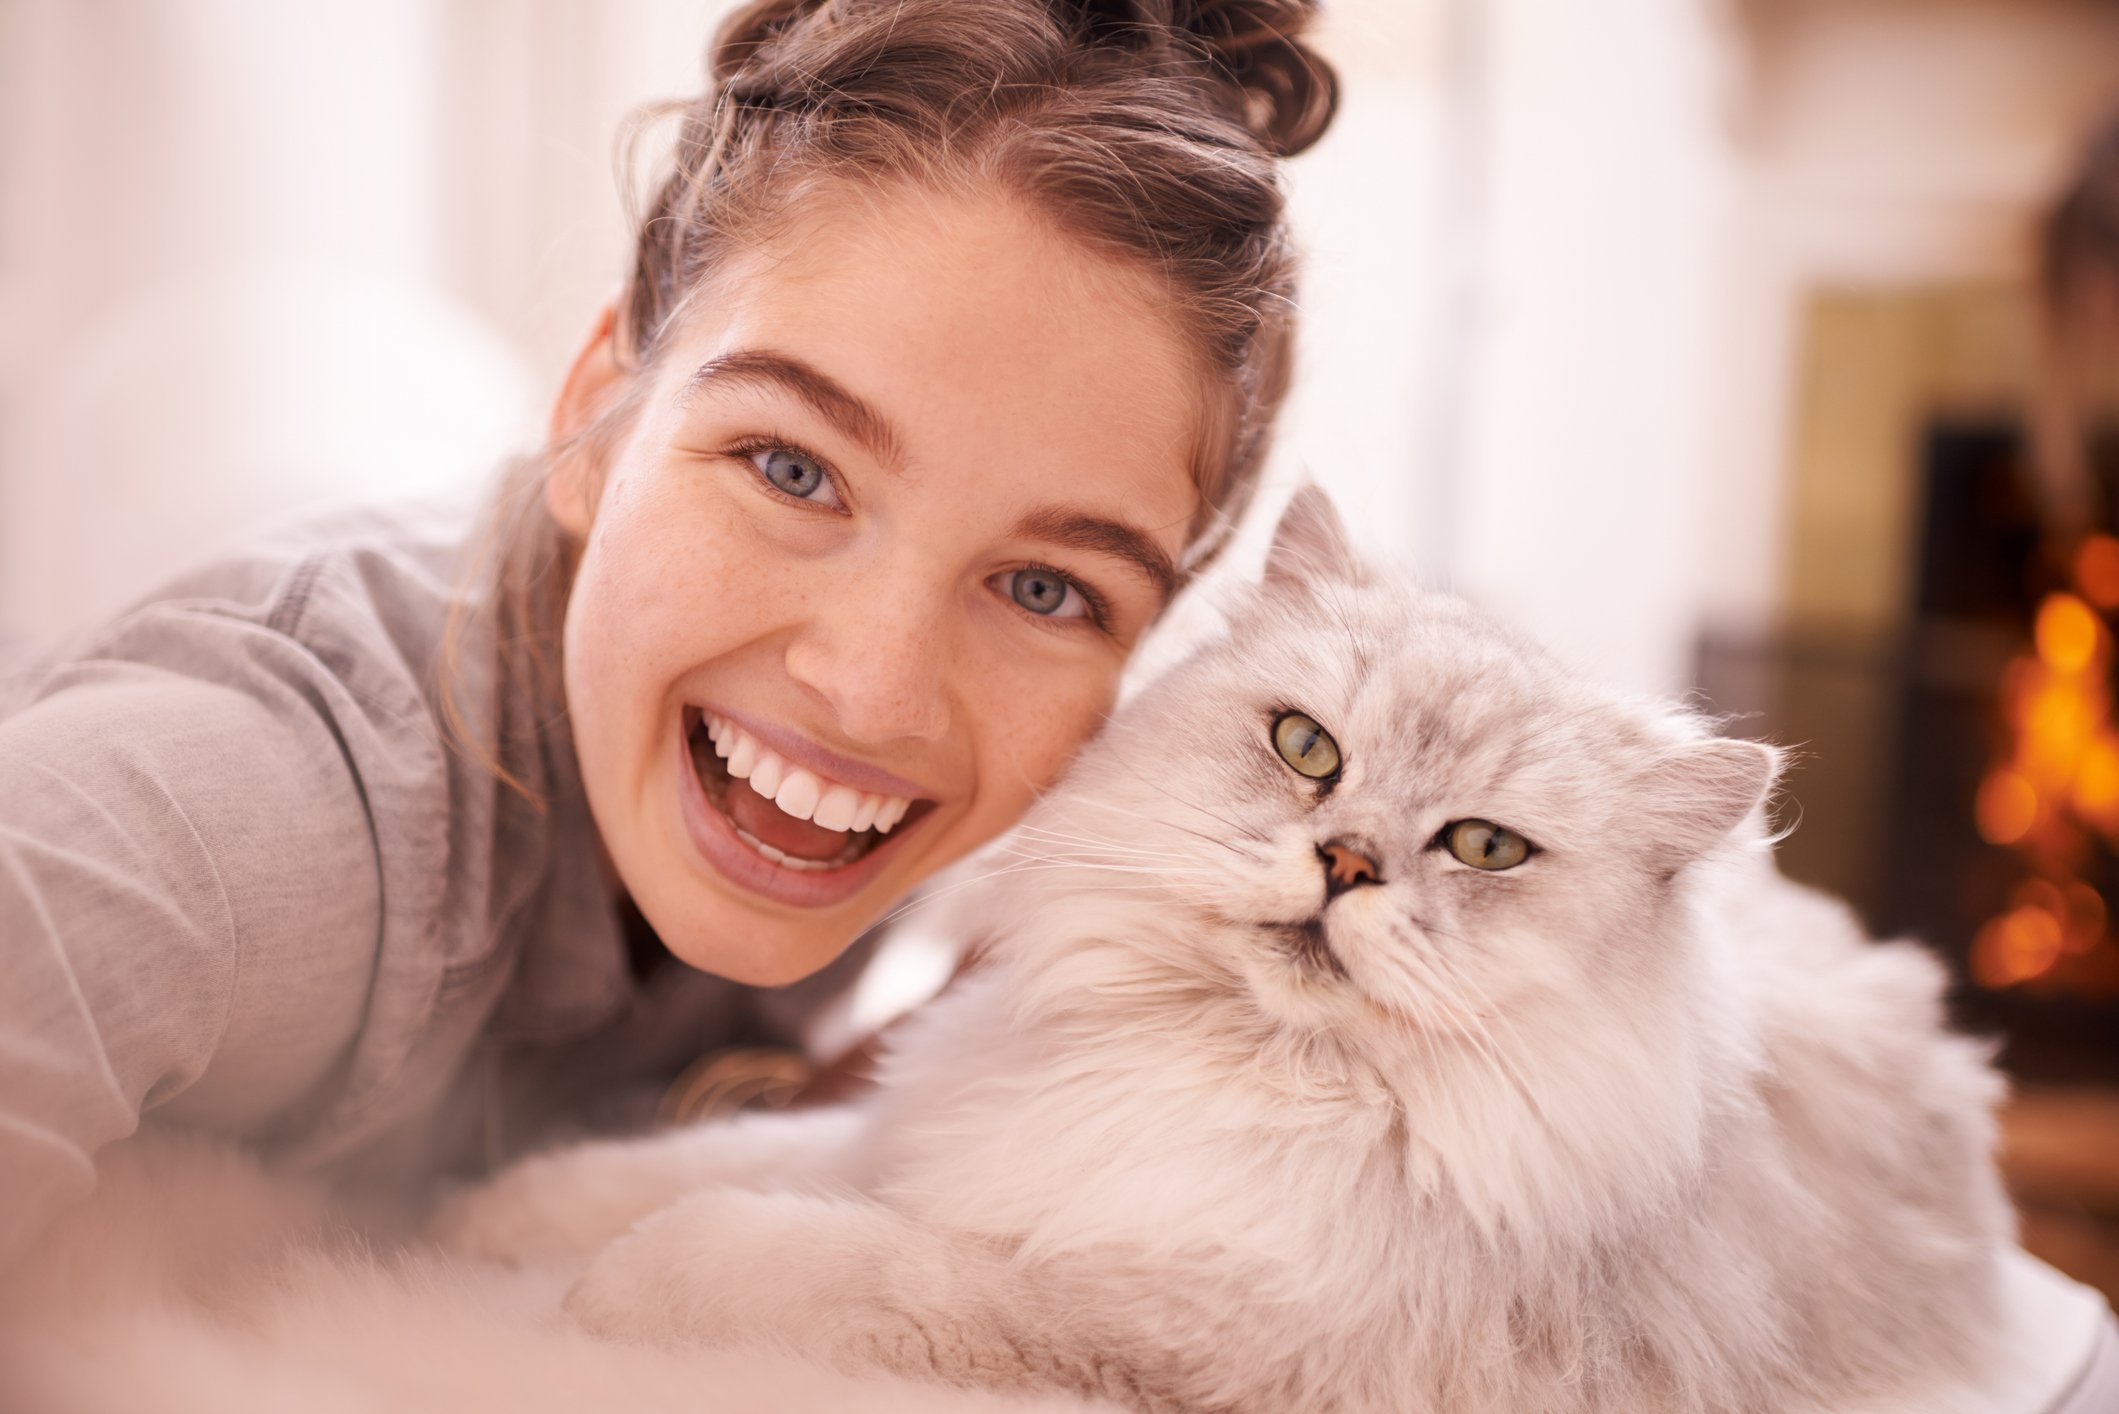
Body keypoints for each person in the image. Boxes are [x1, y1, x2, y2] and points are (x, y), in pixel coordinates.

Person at [0, 0, 1338, 1265]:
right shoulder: (244, 816)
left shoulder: (899, 812)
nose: (875, 693)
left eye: (1044, 590)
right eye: (793, 470)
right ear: (597, 411)